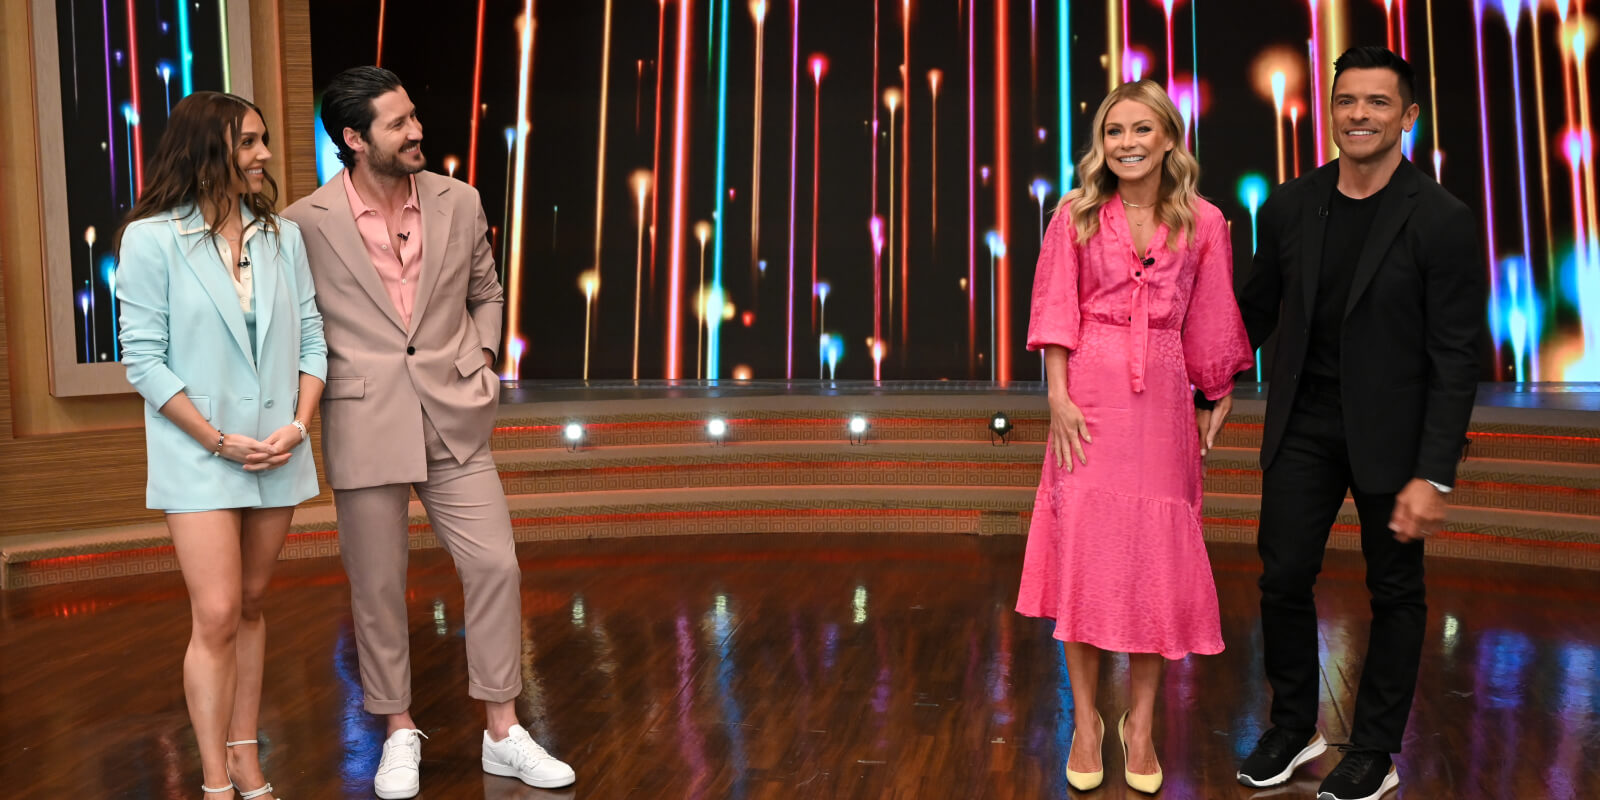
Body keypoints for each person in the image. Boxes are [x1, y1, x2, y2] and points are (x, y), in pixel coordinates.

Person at [282, 66, 575, 798]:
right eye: (398, 124)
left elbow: (486, 290)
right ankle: (397, 729)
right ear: (354, 139)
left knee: (496, 566)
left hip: (454, 412)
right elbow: (299, 325)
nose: (416, 131)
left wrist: (483, 360)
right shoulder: (303, 223)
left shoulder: (459, 199)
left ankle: (503, 730)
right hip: (364, 417)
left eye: (413, 116)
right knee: (378, 588)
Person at [1229, 47, 1485, 800]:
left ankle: (1374, 749)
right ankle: (1294, 727)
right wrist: (1202, 380)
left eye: (1377, 102)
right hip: (1303, 423)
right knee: (1283, 577)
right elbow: (1251, 314)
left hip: (1394, 437)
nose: (1360, 115)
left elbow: (1455, 356)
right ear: (1331, 109)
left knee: (1395, 592)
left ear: (1408, 116)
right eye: (1347, 101)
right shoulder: (1290, 205)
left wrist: (1434, 473)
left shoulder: (1441, 219)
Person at [1016, 79, 1254, 794]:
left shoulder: (1206, 221)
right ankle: (1087, 722)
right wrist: (1057, 398)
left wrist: (1217, 390)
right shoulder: (1076, 215)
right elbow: (1056, 308)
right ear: (1101, 144)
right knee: (1086, 553)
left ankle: (1140, 724)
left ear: (1169, 137)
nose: (1127, 143)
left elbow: (1212, 313)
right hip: (1089, 393)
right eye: (1114, 131)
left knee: (1155, 558)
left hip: (1164, 401)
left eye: (1141, 129)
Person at [116, 91, 326, 800]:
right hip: (199, 451)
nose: (264, 154)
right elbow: (143, 361)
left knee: (253, 601)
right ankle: (212, 780)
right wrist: (217, 441)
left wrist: (297, 426)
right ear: (208, 152)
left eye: (262, 140)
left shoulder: (282, 237)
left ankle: (245, 754)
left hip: (277, 445)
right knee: (216, 612)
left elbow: (313, 340)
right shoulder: (150, 239)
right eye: (248, 143)